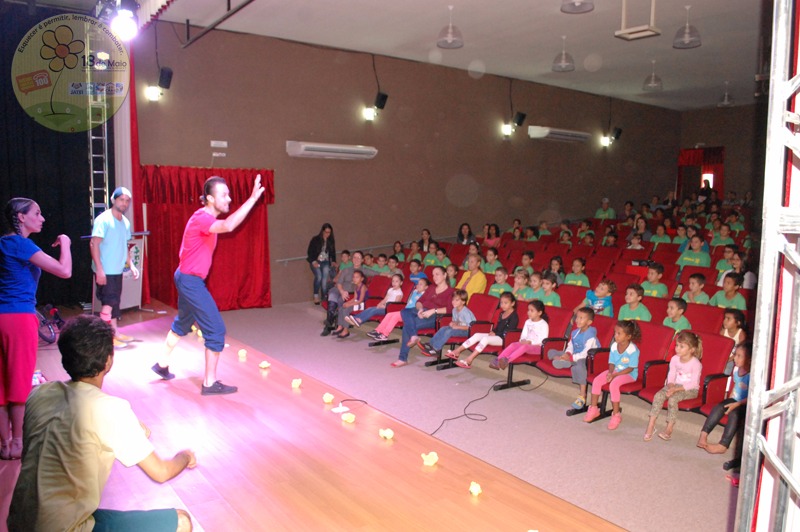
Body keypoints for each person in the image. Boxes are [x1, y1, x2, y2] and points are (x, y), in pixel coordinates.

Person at [7, 315, 195, 531]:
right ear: (108, 361)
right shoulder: (111, 410)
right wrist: (185, 456)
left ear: (64, 358)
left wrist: (127, 428)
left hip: (18, 524)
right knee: (181, 521)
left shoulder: (38, 394)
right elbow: (161, 472)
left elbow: (68, 429)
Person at [151, 175, 265, 395]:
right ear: (211, 198)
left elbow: (186, 249)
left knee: (183, 323)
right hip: (190, 281)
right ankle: (209, 383)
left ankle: (161, 364)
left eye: (229, 194)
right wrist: (252, 199)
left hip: (185, 277)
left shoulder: (202, 218)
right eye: (224, 195)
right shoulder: (203, 218)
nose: (229, 199)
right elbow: (230, 225)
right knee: (215, 330)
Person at [1, 198, 72, 460]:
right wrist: (65, 242)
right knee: (19, 380)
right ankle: (18, 443)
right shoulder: (21, 244)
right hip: (18, 318)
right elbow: (64, 270)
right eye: (37, 213)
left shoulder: (4, 244)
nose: (42, 218)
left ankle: (5, 443)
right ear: (21, 217)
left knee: (1, 383)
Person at [90, 187, 140, 349]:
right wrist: (100, 269)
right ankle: (107, 338)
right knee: (108, 302)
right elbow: (94, 244)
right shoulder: (103, 220)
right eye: (121, 200)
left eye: (127, 201)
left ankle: (114, 332)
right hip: (106, 269)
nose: (124, 203)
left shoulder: (125, 222)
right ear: (113, 200)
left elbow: (125, 246)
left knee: (114, 302)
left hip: (117, 270)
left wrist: (131, 265)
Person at [698, 343, 751, 470]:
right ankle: (703, 434)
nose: (735, 358)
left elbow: (752, 396)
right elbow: (735, 389)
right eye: (735, 355)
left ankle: (723, 445)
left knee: (734, 414)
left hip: (745, 403)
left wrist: (736, 404)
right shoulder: (737, 370)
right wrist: (728, 402)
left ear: (749, 359)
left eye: (739, 356)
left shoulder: (751, 375)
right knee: (718, 407)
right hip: (735, 399)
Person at [644, 331, 703, 441]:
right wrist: (671, 386)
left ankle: (669, 429)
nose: (677, 349)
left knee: (673, 399)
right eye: (677, 345)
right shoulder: (675, 359)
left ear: (692, 349)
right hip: (674, 385)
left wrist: (675, 390)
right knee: (658, 396)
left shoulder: (696, 364)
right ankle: (651, 425)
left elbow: (693, 383)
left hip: (689, 389)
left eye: (682, 346)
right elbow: (671, 374)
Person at [584, 320, 642, 430]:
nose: (615, 335)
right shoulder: (614, 345)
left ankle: (616, 415)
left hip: (629, 374)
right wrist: (610, 372)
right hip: (615, 371)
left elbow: (631, 368)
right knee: (597, 380)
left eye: (619, 333)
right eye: (615, 332)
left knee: (614, 384)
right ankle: (594, 408)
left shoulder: (633, 350)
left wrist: (615, 375)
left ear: (628, 336)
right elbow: (612, 362)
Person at [392, 266, 453, 367]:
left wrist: (433, 311)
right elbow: (420, 301)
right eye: (433, 275)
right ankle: (414, 336)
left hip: (436, 317)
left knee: (407, 326)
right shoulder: (432, 288)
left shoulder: (451, 291)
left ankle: (402, 358)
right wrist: (420, 309)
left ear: (445, 275)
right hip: (422, 311)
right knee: (404, 311)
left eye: (437, 274)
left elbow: (450, 309)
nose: (434, 277)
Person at [447, 292, 518, 369]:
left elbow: (509, 332)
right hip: (497, 335)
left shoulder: (514, 316)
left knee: (485, 339)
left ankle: (469, 360)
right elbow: (498, 327)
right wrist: (493, 331)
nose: (502, 305)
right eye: (501, 303)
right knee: (477, 335)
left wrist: (496, 334)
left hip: (504, 339)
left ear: (512, 303)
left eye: (505, 303)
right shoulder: (502, 313)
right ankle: (457, 351)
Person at [547, 307, 599, 410]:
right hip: (574, 353)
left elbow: (585, 353)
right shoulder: (575, 332)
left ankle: (582, 395)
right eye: (577, 317)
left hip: (588, 359)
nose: (577, 320)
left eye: (581, 318)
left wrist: (571, 358)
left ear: (589, 322)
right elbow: (571, 344)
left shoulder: (590, 336)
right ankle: (562, 359)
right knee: (550, 351)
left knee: (579, 366)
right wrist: (567, 353)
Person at [321, 250, 376, 336]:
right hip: (339, 289)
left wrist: (391, 273)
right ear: (352, 259)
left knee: (340, 300)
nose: (356, 259)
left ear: (362, 260)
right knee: (332, 296)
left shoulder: (364, 270)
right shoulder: (346, 270)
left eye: (359, 257)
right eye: (354, 257)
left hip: (350, 292)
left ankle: (338, 326)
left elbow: (378, 273)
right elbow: (339, 283)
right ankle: (329, 325)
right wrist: (342, 291)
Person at [490, 300, 549, 370]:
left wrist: (530, 342)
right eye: (528, 310)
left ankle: (506, 361)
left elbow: (543, 340)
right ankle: (497, 360)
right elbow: (523, 334)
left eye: (532, 311)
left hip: (537, 347)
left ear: (539, 312)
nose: (528, 312)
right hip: (526, 343)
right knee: (513, 344)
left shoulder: (543, 324)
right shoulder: (528, 321)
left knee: (525, 347)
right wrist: (522, 340)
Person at [367, 278, 429, 342]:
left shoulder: (424, 295)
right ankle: (378, 330)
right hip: (405, 311)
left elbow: (421, 307)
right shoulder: (415, 291)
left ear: (426, 287)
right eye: (417, 284)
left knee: (395, 317)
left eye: (421, 284)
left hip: (411, 314)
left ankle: (385, 334)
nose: (418, 285)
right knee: (389, 314)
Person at [418, 290, 476, 357]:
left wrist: (457, 327)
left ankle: (436, 349)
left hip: (468, 331)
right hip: (459, 328)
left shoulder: (466, 312)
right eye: (453, 300)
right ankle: (430, 344)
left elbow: (471, 327)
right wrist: (453, 323)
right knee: (443, 328)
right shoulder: (454, 310)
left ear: (463, 302)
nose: (453, 302)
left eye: (457, 300)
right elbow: (456, 320)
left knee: (449, 331)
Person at [330, 270, 367, 339]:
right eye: (353, 277)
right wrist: (347, 303)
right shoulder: (356, 286)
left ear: (362, 279)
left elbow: (360, 300)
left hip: (362, 304)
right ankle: (340, 326)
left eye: (357, 277)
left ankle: (345, 330)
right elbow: (354, 298)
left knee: (346, 310)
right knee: (341, 308)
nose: (354, 279)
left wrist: (349, 305)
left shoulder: (363, 287)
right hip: (357, 303)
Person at [306, 223, 336, 305]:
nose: (327, 234)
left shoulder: (331, 240)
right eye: (326, 232)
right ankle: (316, 295)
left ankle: (324, 297)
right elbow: (310, 252)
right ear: (322, 231)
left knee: (324, 280)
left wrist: (333, 261)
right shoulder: (315, 239)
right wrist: (313, 261)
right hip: (315, 261)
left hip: (325, 262)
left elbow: (333, 252)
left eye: (329, 232)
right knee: (319, 276)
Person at [721, 309, 747, 374]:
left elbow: (740, 351)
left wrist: (729, 359)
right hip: (723, 357)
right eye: (725, 318)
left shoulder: (741, 334)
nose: (725, 321)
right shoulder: (723, 331)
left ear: (738, 322)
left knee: (726, 370)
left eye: (728, 319)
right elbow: (720, 347)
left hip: (733, 359)